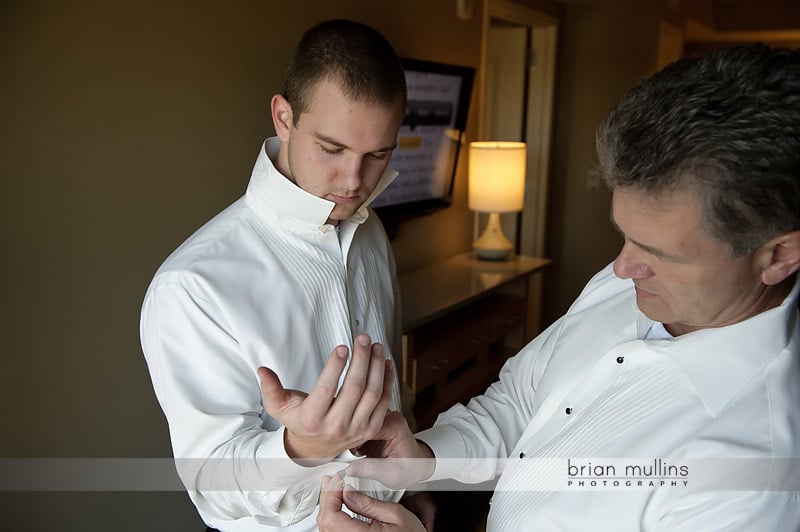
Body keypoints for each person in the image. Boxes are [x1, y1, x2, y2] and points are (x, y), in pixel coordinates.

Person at [312, 43, 800, 530]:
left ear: (778, 255)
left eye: (660, 253)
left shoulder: (753, 483)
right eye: (625, 235)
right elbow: (519, 403)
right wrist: (423, 456)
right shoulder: (623, 283)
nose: (622, 266)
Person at [140, 19, 434, 532]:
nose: (354, 182)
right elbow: (212, 485)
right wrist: (301, 448)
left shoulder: (372, 233)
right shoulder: (191, 286)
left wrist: (409, 487)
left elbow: (394, 396)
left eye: (378, 155)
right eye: (332, 148)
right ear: (283, 117)